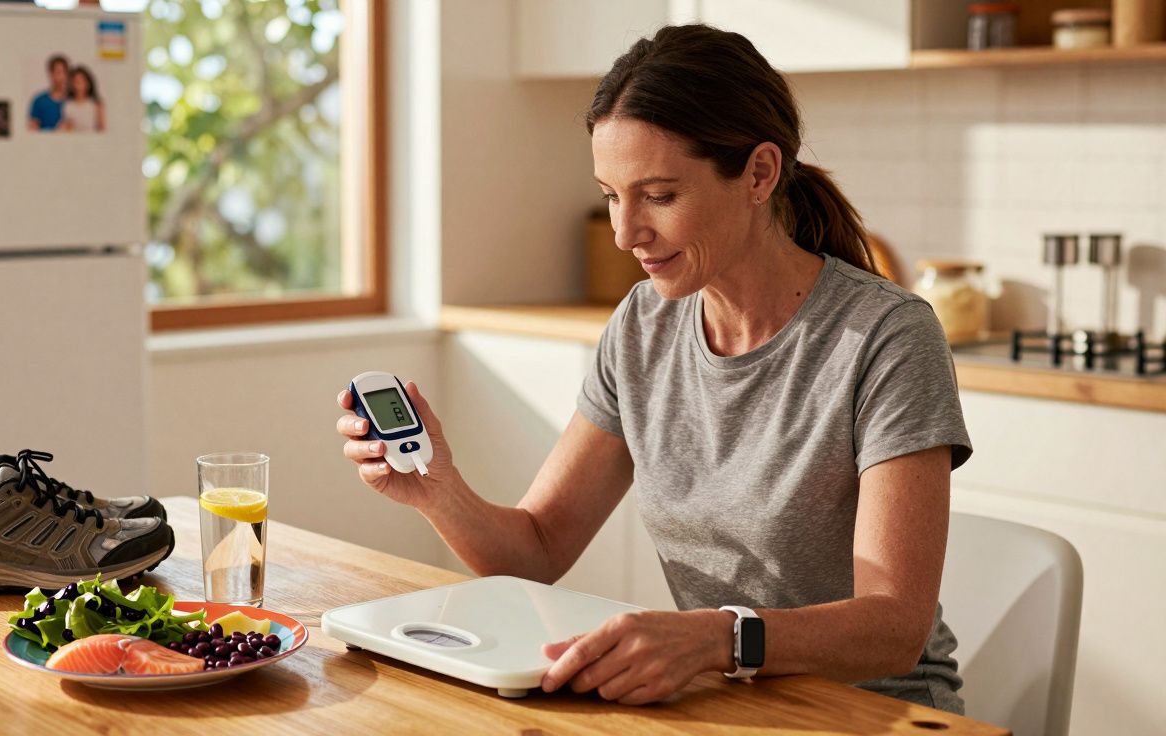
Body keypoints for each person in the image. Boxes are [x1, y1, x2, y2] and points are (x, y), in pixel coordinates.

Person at [334, 24, 972, 713]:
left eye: (659, 196)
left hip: (881, 714)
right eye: (612, 195)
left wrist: (716, 639)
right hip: (728, 705)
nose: (624, 232)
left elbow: (894, 628)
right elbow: (537, 551)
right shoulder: (643, 325)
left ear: (759, 174)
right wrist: (438, 491)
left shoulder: (886, 336)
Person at [28, 54, 69, 131]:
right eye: (59, 72)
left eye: (65, 72)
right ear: (51, 74)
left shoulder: (72, 100)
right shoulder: (39, 101)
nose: (62, 77)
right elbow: (32, 129)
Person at [62, 66, 104, 132]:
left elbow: (102, 130)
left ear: (88, 83)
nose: (79, 84)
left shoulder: (96, 104)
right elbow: (66, 129)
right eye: (76, 81)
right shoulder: (68, 105)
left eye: (82, 80)